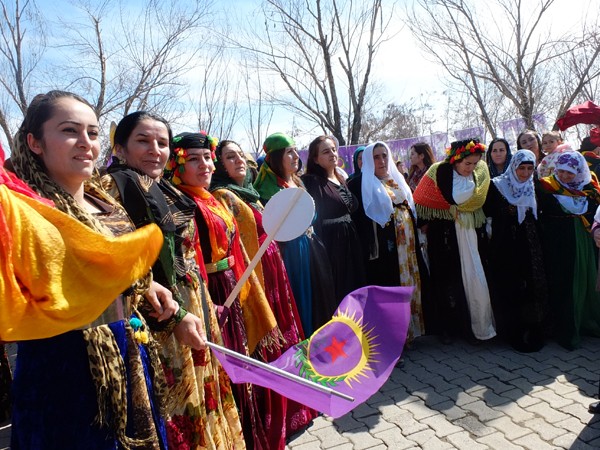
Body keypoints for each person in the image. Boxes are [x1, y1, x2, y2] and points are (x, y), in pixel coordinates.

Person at [9, 91, 176, 449]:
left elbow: (116, 265)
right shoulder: (20, 210)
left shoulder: (105, 200)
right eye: (70, 131)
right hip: (63, 367)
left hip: (129, 348)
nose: (86, 143)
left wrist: (146, 287)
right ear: (35, 143)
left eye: (94, 133)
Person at [105, 113, 246, 449]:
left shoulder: (161, 187)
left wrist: (204, 304)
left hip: (193, 304)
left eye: (162, 143)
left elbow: (188, 255)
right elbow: (120, 264)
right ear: (120, 148)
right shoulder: (113, 189)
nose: (155, 150)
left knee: (204, 390)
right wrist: (177, 314)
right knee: (178, 402)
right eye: (143, 141)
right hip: (158, 319)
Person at [165, 131, 280, 450]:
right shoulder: (181, 204)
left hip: (231, 285)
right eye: (193, 159)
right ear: (177, 165)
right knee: (225, 366)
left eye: (206, 157)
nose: (204, 164)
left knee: (242, 360)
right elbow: (188, 259)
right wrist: (205, 300)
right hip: (209, 293)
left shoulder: (212, 198)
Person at [210, 139, 318, 442]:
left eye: (240, 156)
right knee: (271, 339)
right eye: (229, 157)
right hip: (254, 276)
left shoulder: (251, 193)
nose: (238, 161)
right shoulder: (223, 195)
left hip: (273, 269)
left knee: (287, 333)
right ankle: (277, 412)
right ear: (219, 164)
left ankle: (296, 403)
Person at [413, 138, 496, 344]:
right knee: (447, 281)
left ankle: (480, 327)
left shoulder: (481, 173)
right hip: (445, 236)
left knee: (475, 277)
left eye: (475, 163)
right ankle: (451, 328)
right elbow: (421, 199)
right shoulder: (438, 172)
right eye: (467, 164)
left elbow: (485, 201)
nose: (471, 168)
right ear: (455, 161)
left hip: (471, 232)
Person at [254, 132, 336, 336]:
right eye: (289, 152)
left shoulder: (298, 182)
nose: (296, 156)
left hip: (312, 247)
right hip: (292, 254)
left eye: (296, 151)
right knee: (304, 299)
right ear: (275, 157)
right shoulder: (266, 190)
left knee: (321, 297)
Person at [348, 141, 429, 343]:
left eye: (384, 155)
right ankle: (394, 340)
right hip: (386, 251)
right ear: (367, 160)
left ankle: (412, 331)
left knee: (408, 284)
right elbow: (361, 220)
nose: (382, 160)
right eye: (376, 157)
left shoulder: (396, 179)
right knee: (391, 291)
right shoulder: (360, 184)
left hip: (407, 247)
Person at [483, 150, 549, 352]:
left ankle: (536, 329)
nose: (526, 173)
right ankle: (514, 332)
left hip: (531, 243)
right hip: (507, 245)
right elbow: (489, 214)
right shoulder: (497, 186)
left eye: (530, 168)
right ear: (514, 166)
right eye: (522, 168)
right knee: (511, 286)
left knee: (534, 285)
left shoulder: (534, 186)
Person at [536, 150, 600, 350]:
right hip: (560, 248)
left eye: (570, 172)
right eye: (561, 171)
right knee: (565, 285)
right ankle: (567, 330)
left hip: (588, 245)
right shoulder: (546, 187)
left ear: (579, 171)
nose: (564, 176)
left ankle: (590, 323)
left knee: (589, 281)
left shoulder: (590, 189)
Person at [302, 135, 366, 302]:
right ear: (315, 159)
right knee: (341, 291)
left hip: (350, 242)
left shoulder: (340, 178)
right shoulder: (311, 182)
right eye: (325, 151)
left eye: (333, 149)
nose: (332, 154)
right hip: (332, 246)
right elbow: (313, 219)